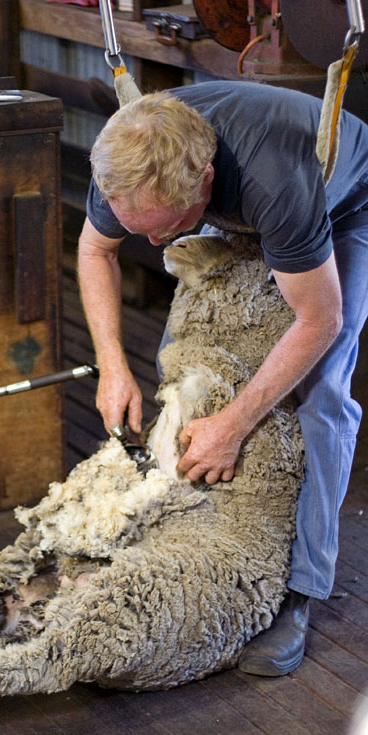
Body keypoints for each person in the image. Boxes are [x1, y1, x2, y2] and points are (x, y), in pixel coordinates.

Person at [77, 82, 368, 676]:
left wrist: (235, 425)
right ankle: (184, 529)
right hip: (229, 212)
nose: (156, 244)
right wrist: (111, 364)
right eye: (142, 229)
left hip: (343, 202)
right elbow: (95, 251)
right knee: (185, 366)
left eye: (166, 228)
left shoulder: (276, 181)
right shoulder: (127, 164)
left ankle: (296, 593)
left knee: (317, 397)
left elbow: (321, 319)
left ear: (205, 179)